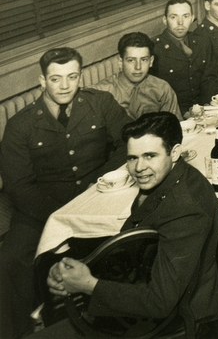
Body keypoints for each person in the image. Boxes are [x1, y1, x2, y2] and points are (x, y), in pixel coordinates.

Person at [38, 112, 218, 338]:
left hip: (173, 318)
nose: (138, 167)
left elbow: (160, 302)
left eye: (149, 155)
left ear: (174, 152)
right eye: (132, 158)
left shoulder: (186, 209)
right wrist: (71, 271)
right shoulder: (166, 178)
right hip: (143, 288)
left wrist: (87, 284)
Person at [0, 48, 131, 339]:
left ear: (80, 76)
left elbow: (127, 142)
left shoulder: (101, 103)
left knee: (132, 243)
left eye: (72, 77)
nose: (64, 85)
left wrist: (102, 180)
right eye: (55, 78)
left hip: (99, 195)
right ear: (42, 80)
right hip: (39, 211)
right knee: (8, 264)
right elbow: (18, 186)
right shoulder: (19, 125)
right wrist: (62, 215)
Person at [93, 33, 182, 121]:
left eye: (144, 60)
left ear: (151, 61)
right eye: (131, 60)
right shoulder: (102, 92)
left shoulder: (162, 89)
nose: (138, 67)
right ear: (120, 62)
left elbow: (175, 127)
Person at [151, 0, 207, 111]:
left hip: (204, 108)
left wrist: (206, 106)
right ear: (165, 20)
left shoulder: (201, 42)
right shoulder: (155, 49)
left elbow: (209, 78)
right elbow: (154, 94)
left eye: (185, 16)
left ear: (192, 18)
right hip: (175, 113)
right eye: (173, 17)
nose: (180, 22)